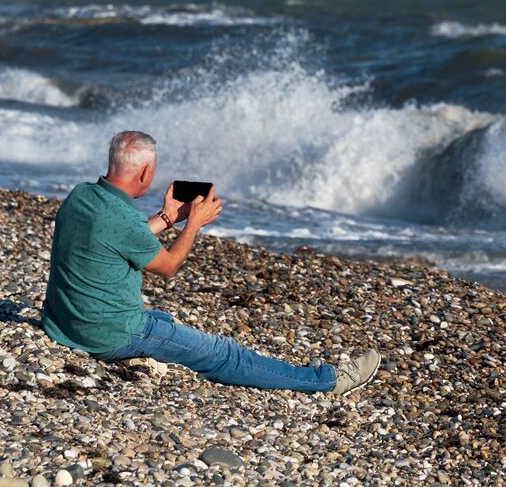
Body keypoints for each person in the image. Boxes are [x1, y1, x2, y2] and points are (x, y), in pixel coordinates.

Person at [41, 131, 379, 395]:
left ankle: (154, 352)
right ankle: (327, 381)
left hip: (65, 324)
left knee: (162, 318)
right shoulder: (123, 218)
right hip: (108, 335)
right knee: (224, 354)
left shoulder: (82, 196)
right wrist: (194, 224)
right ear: (145, 171)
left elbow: (121, 237)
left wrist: (169, 216)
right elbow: (169, 266)